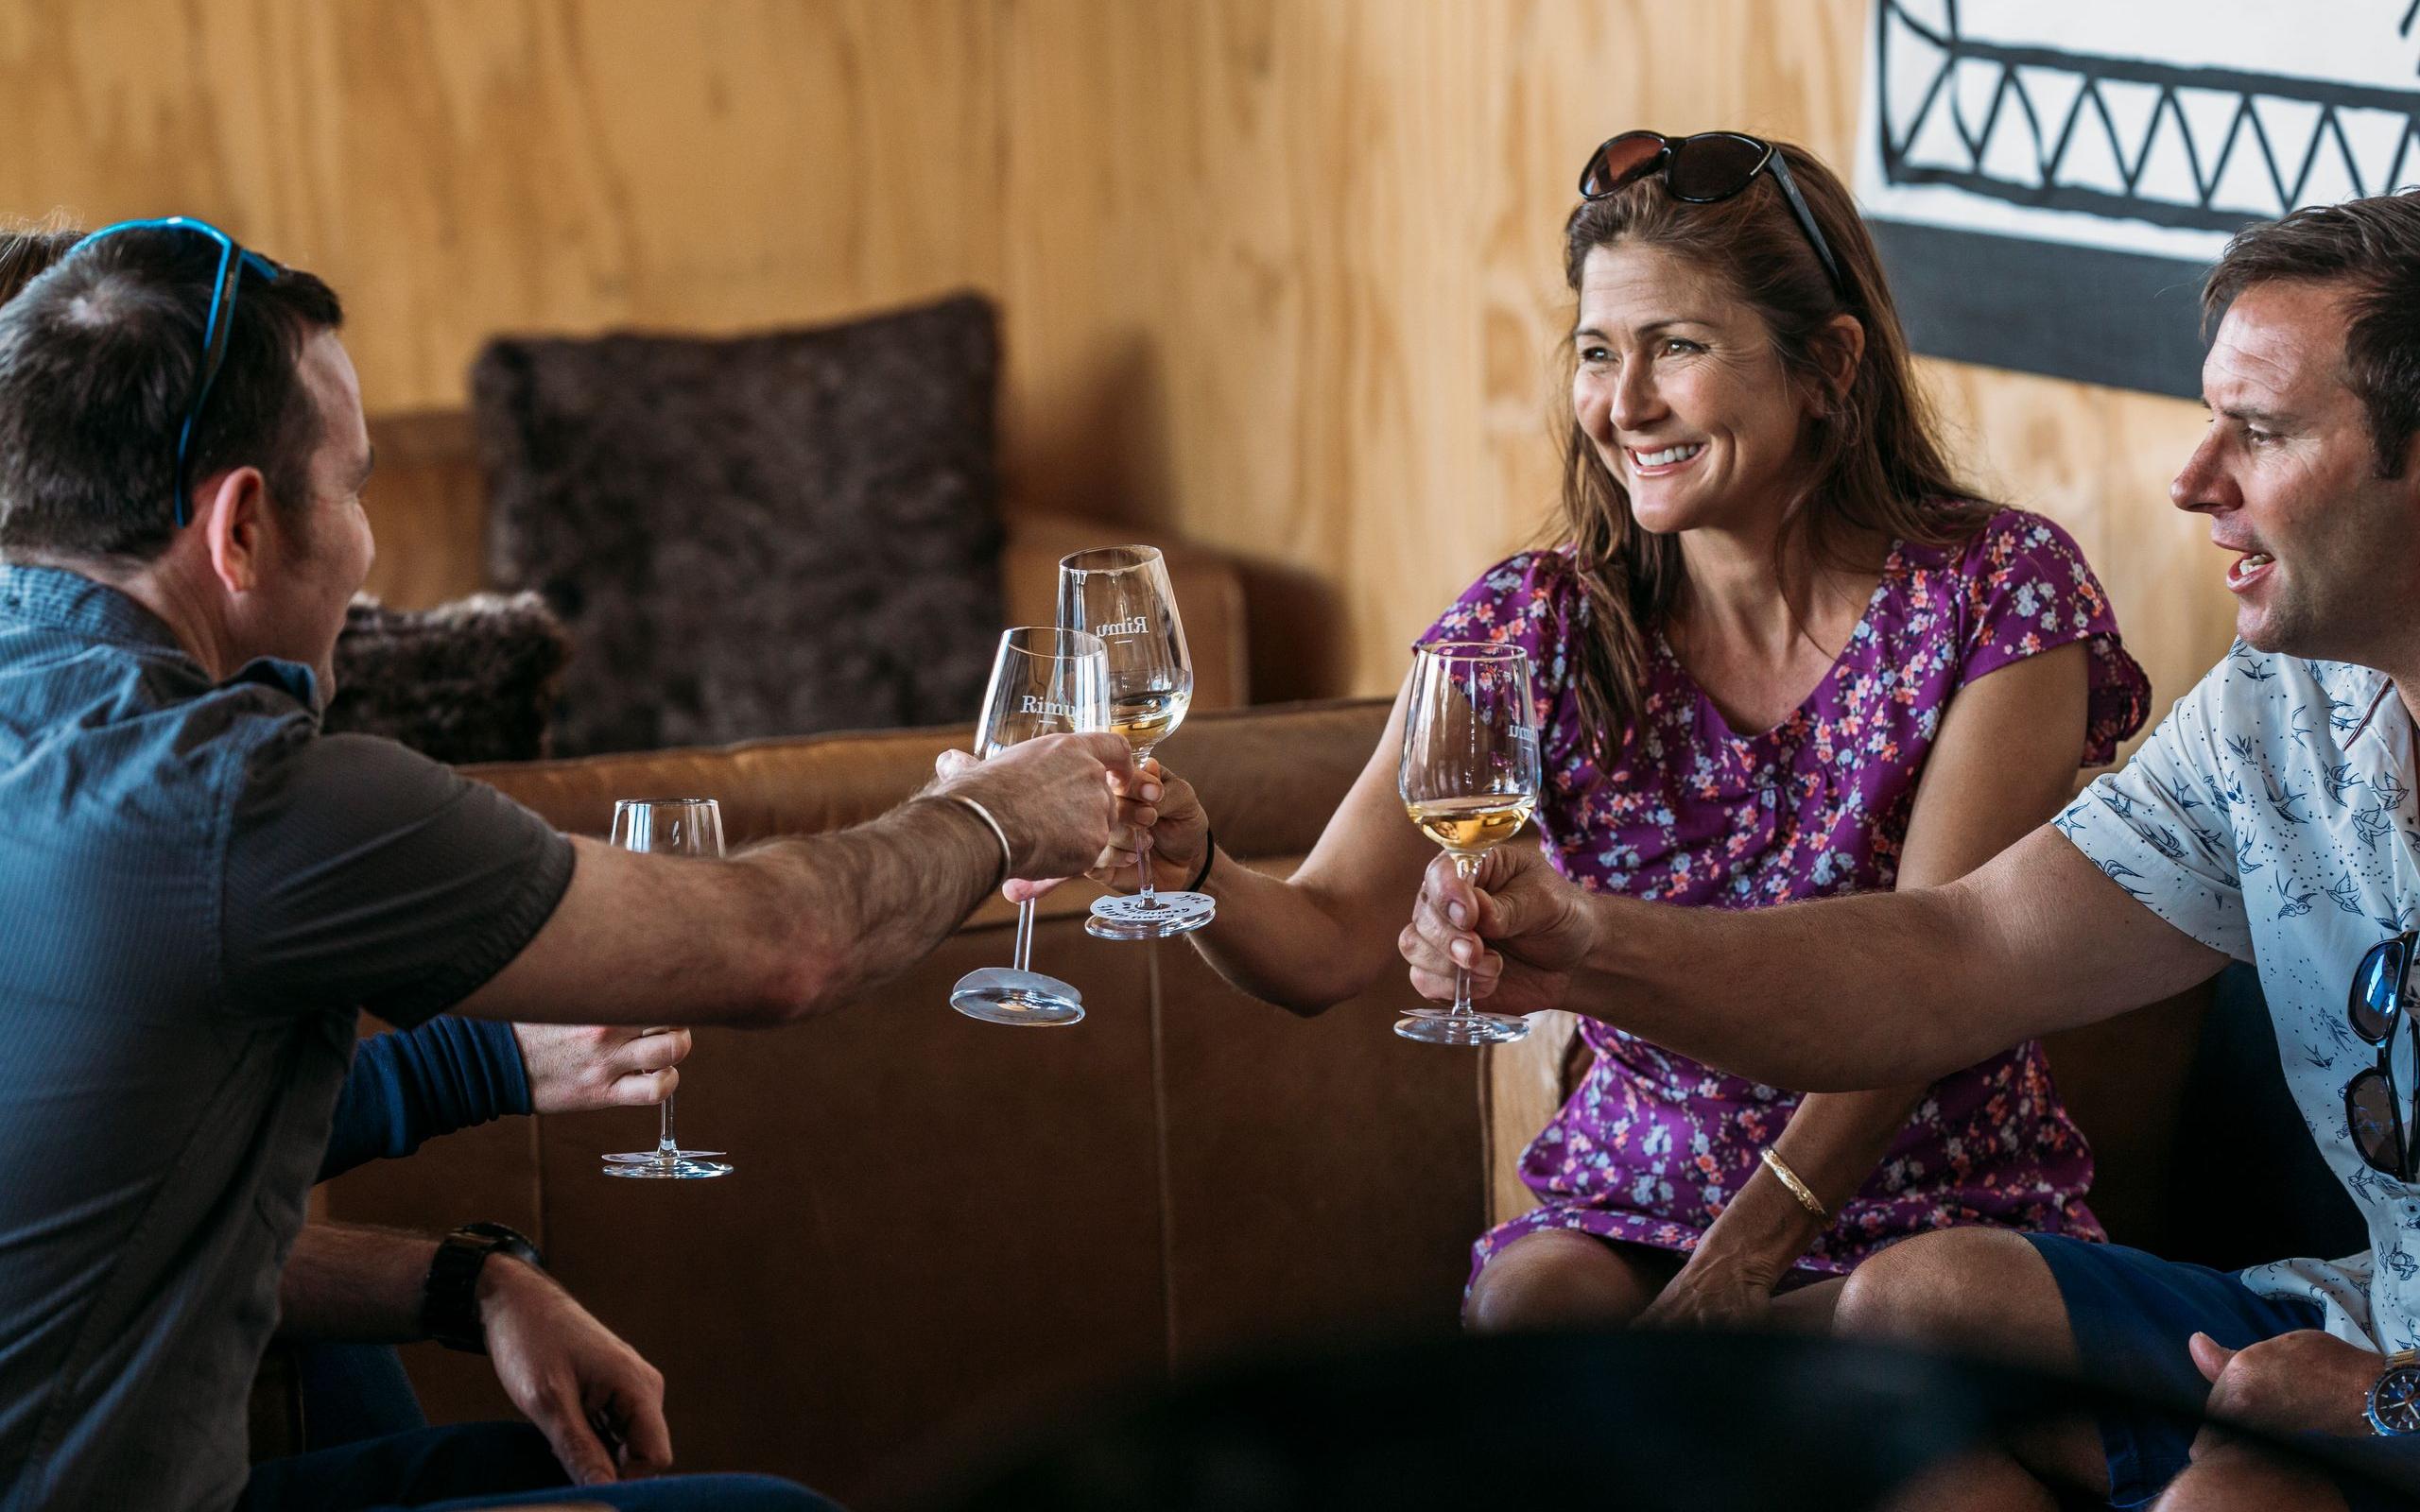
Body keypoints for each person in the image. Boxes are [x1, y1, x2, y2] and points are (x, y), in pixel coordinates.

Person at [0, 219, 1134, 1511]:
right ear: (244, 527)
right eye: (356, 487)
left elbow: (131, 1234)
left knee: (511, 1462)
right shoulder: (235, 798)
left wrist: (466, 1279)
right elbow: (782, 945)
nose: (369, 548)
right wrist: (996, 819)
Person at [1396, 189, 2420, 1511]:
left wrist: (2388, 1401)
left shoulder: (2004, 588)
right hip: (2361, 1317)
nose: (2192, 479)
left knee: (2240, 1493)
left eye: (2263, 431)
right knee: (1923, 1299)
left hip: (2391, 1379)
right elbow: (1962, 946)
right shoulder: (2279, 713)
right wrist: (1594, 943)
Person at [1082, 131, 2147, 1332]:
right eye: (1596, 352)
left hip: (1937, 1210)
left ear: (1827, 365)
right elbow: (1325, 938)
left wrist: (1736, 1274)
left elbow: (1939, 984)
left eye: (1676, 348)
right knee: (1533, 1317)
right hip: (1633, 1198)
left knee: (1870, 1361)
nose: (1623, 404)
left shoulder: (1998, 591)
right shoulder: (1531, 624)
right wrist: (1198, 867)